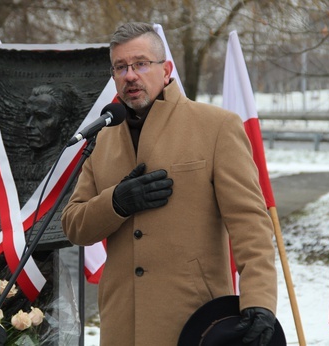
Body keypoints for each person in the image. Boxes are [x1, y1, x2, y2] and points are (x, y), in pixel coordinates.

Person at [61, 22, 278, 346]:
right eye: (120, 67)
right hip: (121, 325)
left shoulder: (216, 127)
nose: (130, 75)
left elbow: (251, 226)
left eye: (140, 63)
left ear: (167, 69)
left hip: (196, 323)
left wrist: (259, 300)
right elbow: (74, 225)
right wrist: (116, 202)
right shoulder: (101, 140)